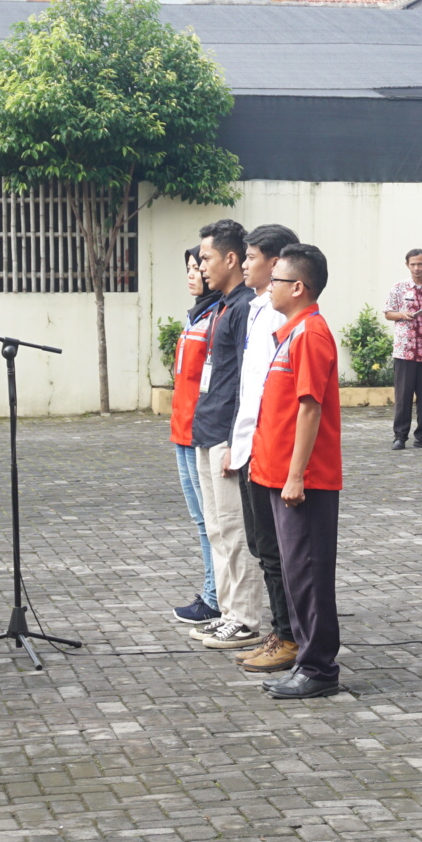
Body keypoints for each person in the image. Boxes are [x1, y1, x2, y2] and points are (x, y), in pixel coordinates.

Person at [252, 243, 345, 700]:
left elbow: (310, 409)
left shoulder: (311, 333)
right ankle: (308, 661)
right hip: (280, 475)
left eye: (277, 280)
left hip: (304, 480)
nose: (270, 287)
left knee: (308, 574)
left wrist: (295, 475)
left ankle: (319, 668)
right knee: (296, 575)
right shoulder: (292, 332)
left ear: (299, 287)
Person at [188, 219, 266, 651]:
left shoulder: (242, 309)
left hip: (225, 435)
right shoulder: (222, 305)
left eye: (207, 258)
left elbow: (246, 383)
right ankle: (228, 611)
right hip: (207, 428)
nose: (201, 266)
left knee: (234, 531)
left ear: (231, 258)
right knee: (218, 530)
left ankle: (246, 617)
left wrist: (237, 445)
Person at [229, 223, 303, 672]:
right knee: (262, 546)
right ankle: (280, 630)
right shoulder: (258, 309)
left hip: (269, 446)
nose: (247, 264)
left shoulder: (282, 316)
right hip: (249, 442)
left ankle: (289, 635)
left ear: (276, 263)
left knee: (275, 549)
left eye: (252, 257)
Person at [169, 247, 224, 626]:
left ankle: (214, 596)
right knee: (200, 519)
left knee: (210, 520)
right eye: (189, 267)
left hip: (200, 430)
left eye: (198, 267)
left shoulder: (218, 315)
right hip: (182, 428)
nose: (193, 273)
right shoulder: (196, 316)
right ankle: (211, 591)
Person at [384, 248, 422, 449]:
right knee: (403, 395)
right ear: (407, 265)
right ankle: (400, 436)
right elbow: (388, 312)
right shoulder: (399, 287)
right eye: (413, 264)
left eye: (420, 264)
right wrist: (402, 314)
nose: (416, 268)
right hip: (404, 348)